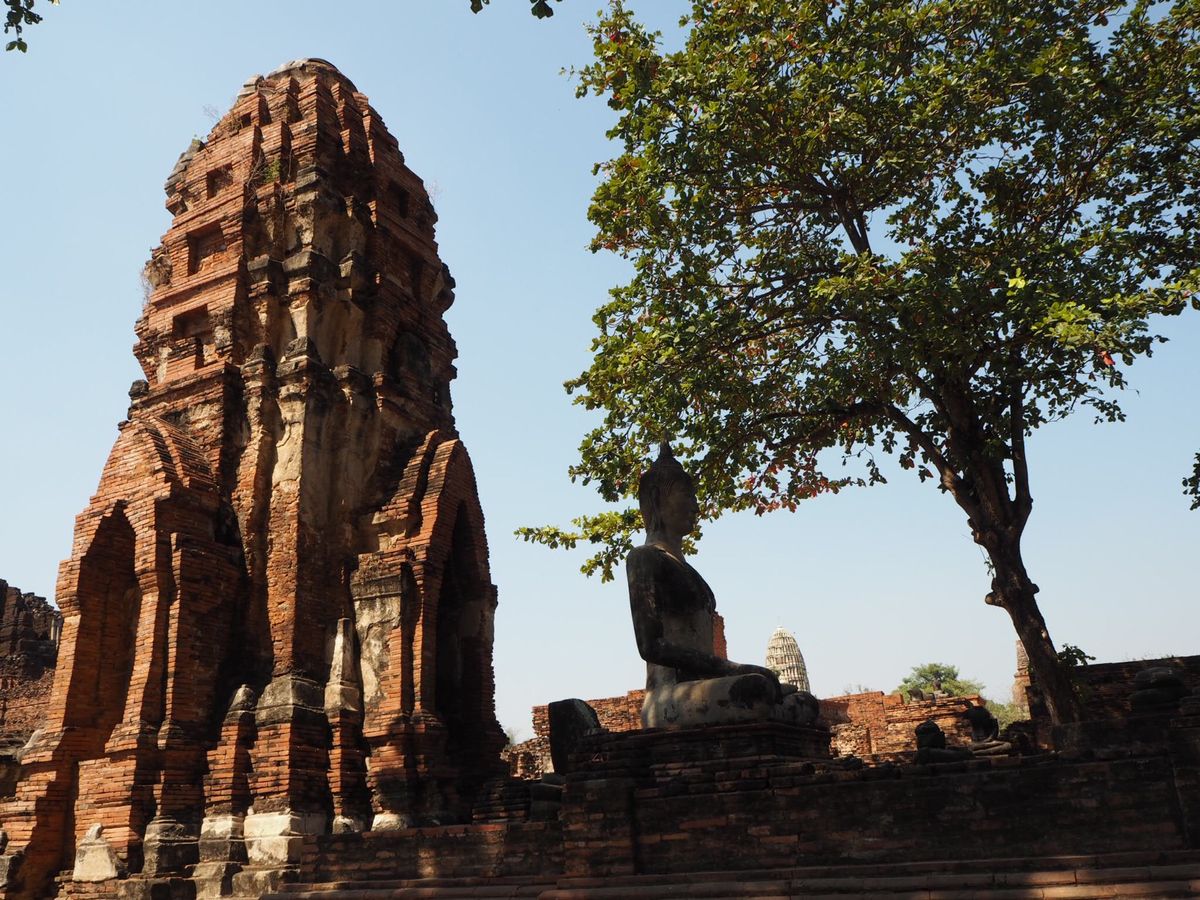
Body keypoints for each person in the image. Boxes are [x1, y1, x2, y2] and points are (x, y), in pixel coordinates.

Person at [627, 442, 819, 729]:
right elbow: (650, 647)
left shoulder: (687, 569)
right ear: (657, 499)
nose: (695, 506)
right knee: (756, 691)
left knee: (805, 701)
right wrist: (732, 669)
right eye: (687, 495)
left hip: (706, 687)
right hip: (669, 697)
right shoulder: (644, 558)